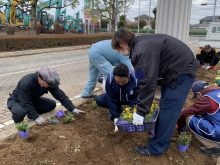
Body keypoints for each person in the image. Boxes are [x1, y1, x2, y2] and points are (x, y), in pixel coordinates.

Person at [112, 29, 197, 156]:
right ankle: (157, 136)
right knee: (165, 105)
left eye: (118, 49)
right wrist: (136, 87)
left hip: (182, 72)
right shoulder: (139, 45)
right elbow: (142, 75)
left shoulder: (141, 50)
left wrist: (140, 112)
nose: (119, 52)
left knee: (169, 110)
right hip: (174, 70)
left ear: (123, 44)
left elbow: (147, 82)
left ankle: (155, 149)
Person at [7, 66, 84, 125]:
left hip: (32, 100)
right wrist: (36, 117)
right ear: (40, 79)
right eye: (49, 84)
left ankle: (30, 115)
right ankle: (19, 126)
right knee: (20, 112)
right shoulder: (26, 82)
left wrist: (73, 108)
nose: (50, 86)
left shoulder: (48, 82)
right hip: (17, 101)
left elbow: (60, 95)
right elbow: (26, 103)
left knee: (51, 104)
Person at [177, 80, 220, 155]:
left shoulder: (207, 99)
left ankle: (214, 146)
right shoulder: (216, 91)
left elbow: (186, 113)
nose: (196, 98)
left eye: (196, 96)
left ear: (198, 93)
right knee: (202, 114)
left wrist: (180, 127)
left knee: (190, 118)